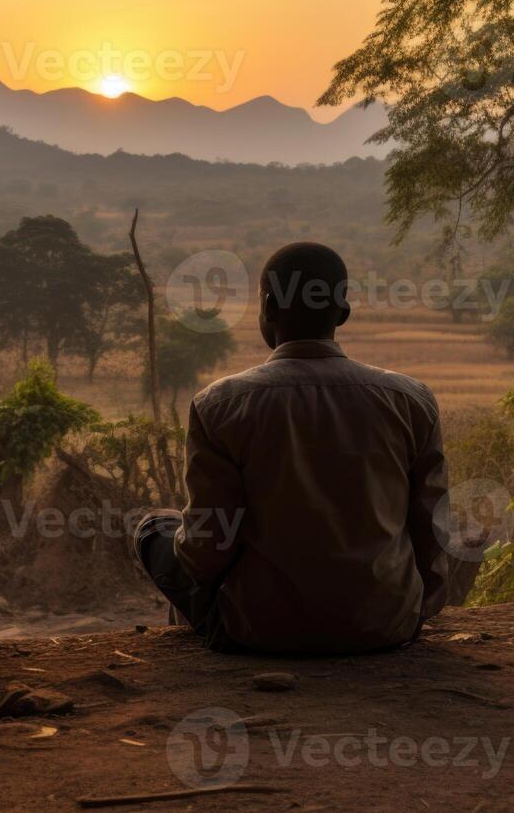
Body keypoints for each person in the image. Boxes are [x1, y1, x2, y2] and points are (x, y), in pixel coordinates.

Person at [133, 242, 450, 654]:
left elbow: (207, 552)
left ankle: (203, 641)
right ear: (343, 314)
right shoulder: (410, 400)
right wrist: (416, 610)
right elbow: (432, 527)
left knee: (155, 528)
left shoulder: (220, 405)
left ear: (267, 307)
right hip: (385, 625)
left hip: (259, 631)